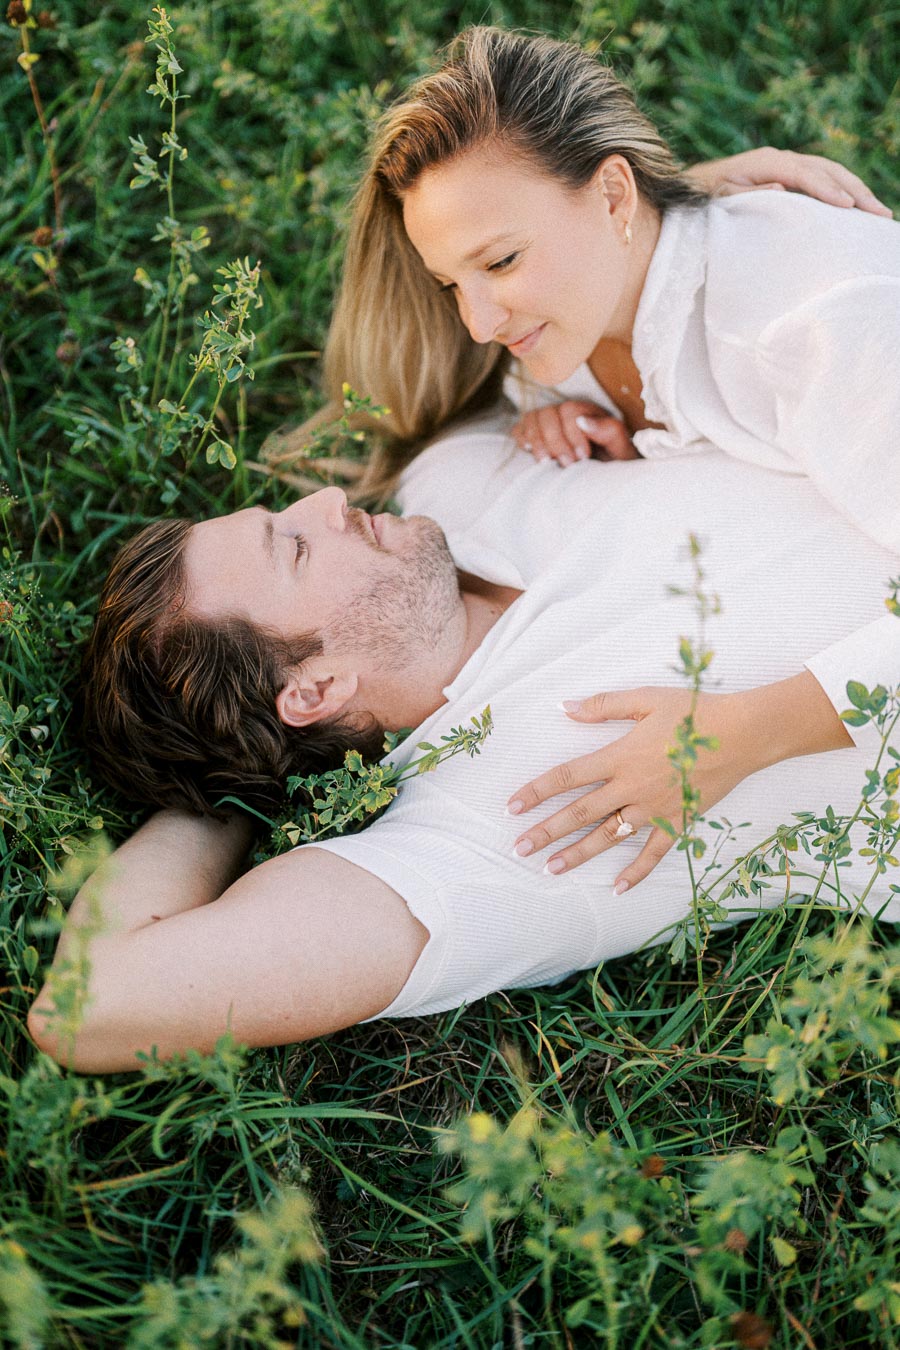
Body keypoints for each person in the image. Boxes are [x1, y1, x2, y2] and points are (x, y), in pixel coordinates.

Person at [29, 420, 900, 1073]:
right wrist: (219, 795)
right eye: (294, 547)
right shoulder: (482, 835)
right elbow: (88, 1007)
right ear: (315, 691)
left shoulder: (459, 478)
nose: (328, 502)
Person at [265, 26, 899, 894]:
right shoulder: (571, 322)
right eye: (453, 284)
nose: (480, 323)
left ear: (611, 197)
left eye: (501, 261)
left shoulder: (819, 323)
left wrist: (738, 733)